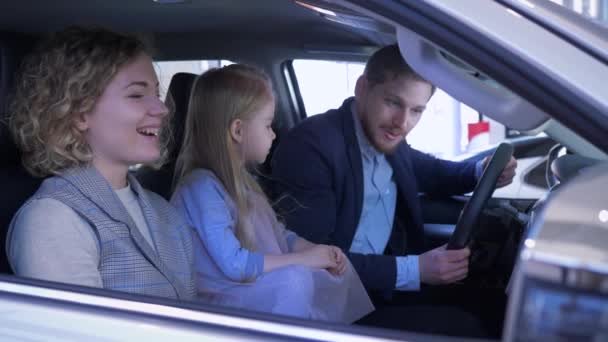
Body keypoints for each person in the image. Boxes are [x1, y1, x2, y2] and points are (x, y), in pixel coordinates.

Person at [271, 44, 517, 336]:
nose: (403, 123)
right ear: (363, 88)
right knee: (468, 328)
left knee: (498, 308)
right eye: (393, 103)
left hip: (381, 288)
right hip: (336, 306)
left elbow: (429, 171)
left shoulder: (386, 137)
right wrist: (416, 270)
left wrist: (480, 170)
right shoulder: (312, 148)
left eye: (416, 110)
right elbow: (314, 261)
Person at [170, 64, 374, 322]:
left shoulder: (243, 182)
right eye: (268, 125)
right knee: (294, 279)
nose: (274, 134)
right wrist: (304, 259)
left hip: (245, 291)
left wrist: (314, 249)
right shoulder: (201, 189)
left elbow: (278, 234)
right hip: (217, 304)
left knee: (329, 269)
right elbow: (235, 264)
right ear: (238, 131)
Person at [6, 26, 195, 300]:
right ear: (79, 113)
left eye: (156, 92)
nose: (162, 108)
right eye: (136, 95)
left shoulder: (164, 211)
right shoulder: (53, 220)